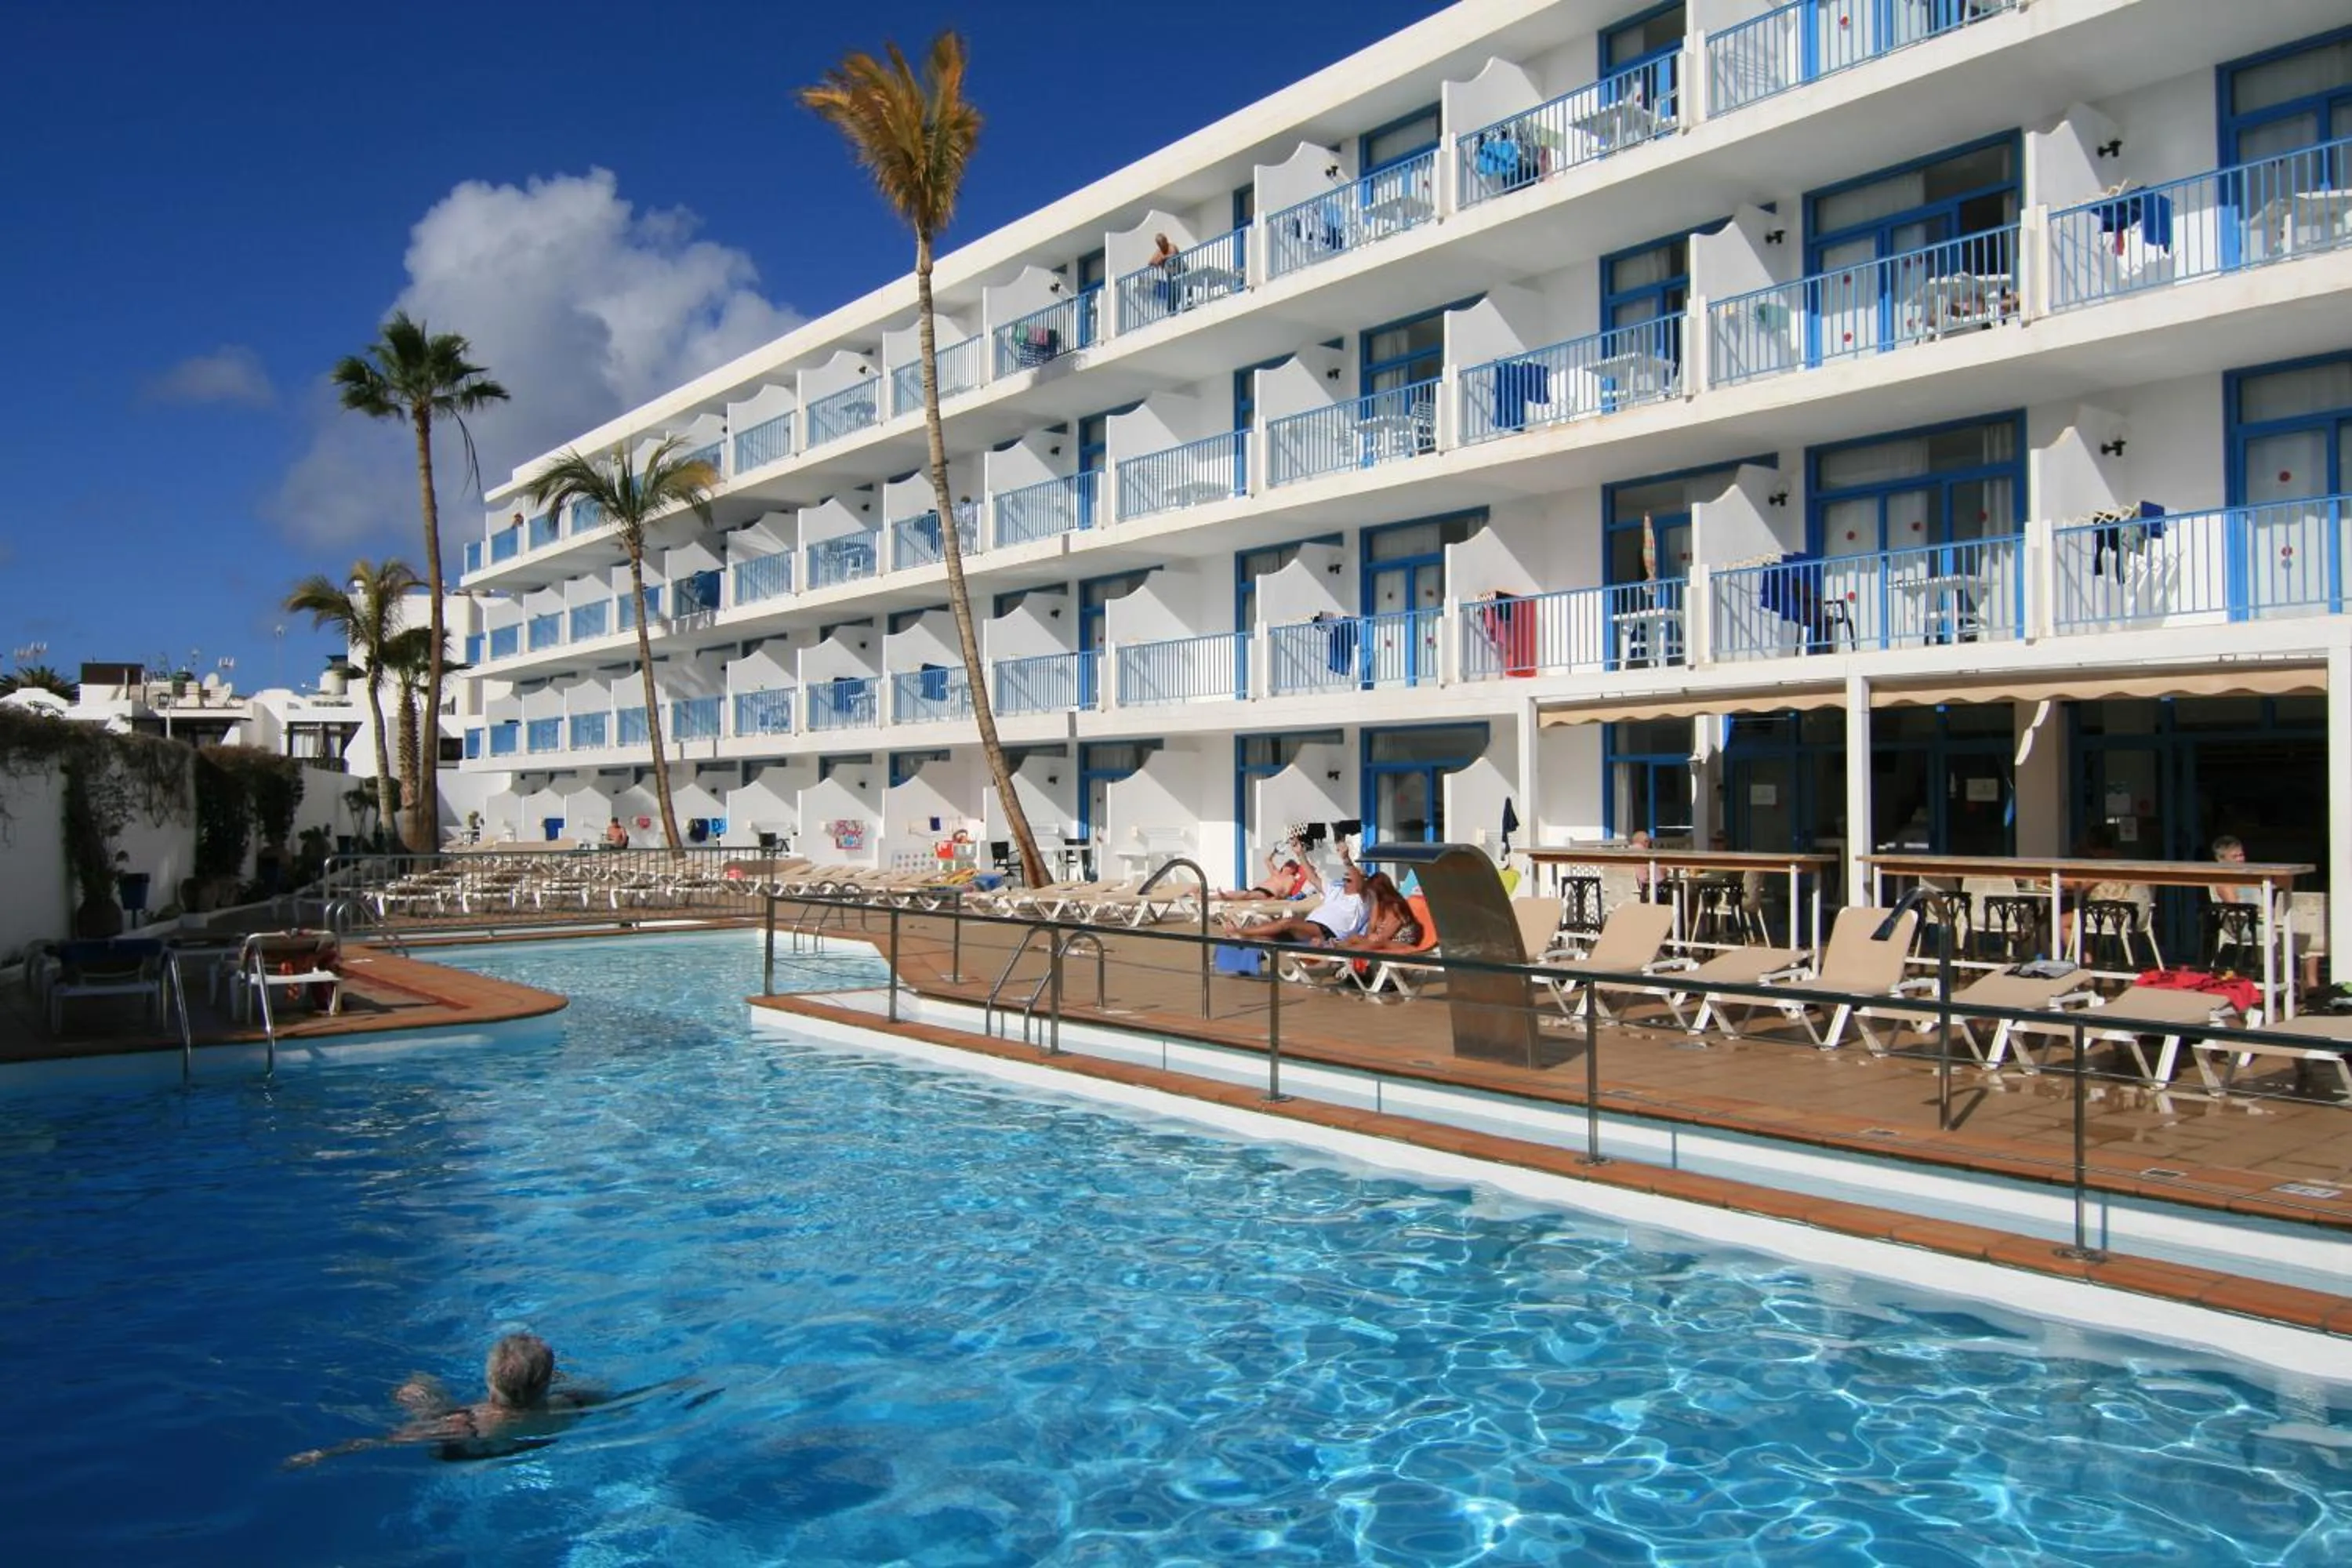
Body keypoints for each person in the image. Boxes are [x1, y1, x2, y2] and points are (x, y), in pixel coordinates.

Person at [285, 1333, 606, 1468]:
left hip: (465, 1448)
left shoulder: (465, 1424)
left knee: (415, 1388)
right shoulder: (572, 1405)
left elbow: (383, 1441)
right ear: (548, 1383)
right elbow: (617, 1400)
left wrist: (322, 1453)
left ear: (490, 1383)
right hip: (529, 1438)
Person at [1226, 856, 1369, 946]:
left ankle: (1241, 931)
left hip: (1328, 933)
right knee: (1272, 936)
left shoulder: (1363, 899)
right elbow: (1313, 878)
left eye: (1350, 879)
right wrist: (1300, 853)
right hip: (1311, 927)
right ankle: (1242, 938)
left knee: (1286, 923)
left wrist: (1346, 859)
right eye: (1345, 878)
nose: (1346, 881)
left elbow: (1359, 883)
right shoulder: (1334, 891)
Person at [1335, 873, 1423, 953]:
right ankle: (1334, 948)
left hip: (1400, 941)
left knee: (1373, 945)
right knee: (1355, 937)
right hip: (1384, 940)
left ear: (1380, 892)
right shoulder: (1379, 903)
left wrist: (1374, 938)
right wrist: (1370, 935)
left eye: (1372, 893)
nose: (1370, 896)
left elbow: (1387, 934)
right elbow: (1371, 925)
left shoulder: (1396, 906)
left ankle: (1344, 953)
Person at [1216, 844, 1308, 901]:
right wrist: (1275, 851)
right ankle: (1210, 897)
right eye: (1286, 864)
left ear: (1293, 870)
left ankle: (1225, 896)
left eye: (1291, 865)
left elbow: (1286, 892)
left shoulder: (1290, 879)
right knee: (1244, 893)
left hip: (1268, 894)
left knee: (1245, 894)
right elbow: (1267, 860)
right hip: (1258, 889)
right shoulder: (1276, 873)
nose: (1287, 866)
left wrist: (1276, 898)